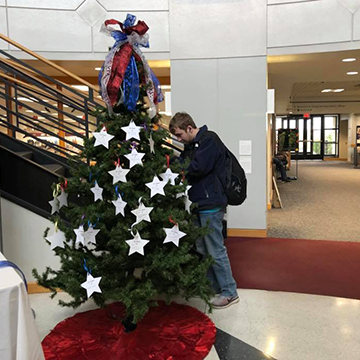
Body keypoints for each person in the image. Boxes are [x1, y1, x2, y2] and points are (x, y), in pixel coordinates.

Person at [169, 112, 239, 309]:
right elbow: (185, 164)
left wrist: (173, 162)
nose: (179, 139)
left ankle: (229, 292)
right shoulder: (192, 145)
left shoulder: (209, 140)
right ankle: (213, 286)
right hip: (199, 203)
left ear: (190, 128)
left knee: (215, 248)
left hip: (211, 204)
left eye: (180, 135)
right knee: (201, 246)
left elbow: (196, 168)